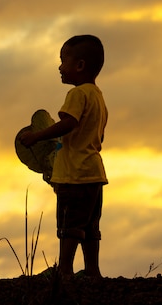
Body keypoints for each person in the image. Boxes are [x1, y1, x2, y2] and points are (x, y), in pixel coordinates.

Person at [19, 34, 108, 279]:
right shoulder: (98, 96)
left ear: (79, 66)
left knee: (69, 226)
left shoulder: (77, 95)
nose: (60, 66)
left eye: (63, 60)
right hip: (94, 173)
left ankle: (65, 271)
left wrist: (38, 137)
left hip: (75, 174)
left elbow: (68, 123)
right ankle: (92, 270)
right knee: (90, 226)